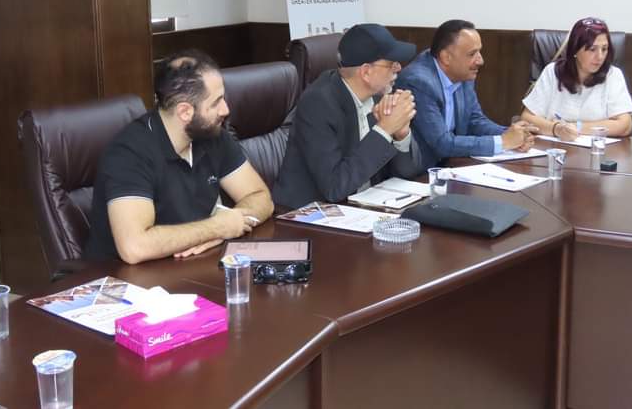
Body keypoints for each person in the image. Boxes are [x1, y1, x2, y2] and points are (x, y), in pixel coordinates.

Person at [86, 49, 273, 264]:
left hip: (187, 266)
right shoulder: (129, 153)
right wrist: (217, 227)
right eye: (216, 102)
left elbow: (261, 197)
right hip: (124, 276)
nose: (225, 109)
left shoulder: (211, 134)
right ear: (185, 112)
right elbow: (134, 247)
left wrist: (229, 225)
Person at [273, 23, 422, 209]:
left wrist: (401, 135)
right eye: (391, 64)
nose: (398, 68)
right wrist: (384, 130)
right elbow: (335, 188)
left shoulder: (378, 95)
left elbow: (406, 174)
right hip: (310, 213)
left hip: (364, 207)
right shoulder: (318, 104)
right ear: (366, 72)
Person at [395, 19, 536, 169]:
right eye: (472, 54)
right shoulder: (418, 82)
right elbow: (442, 143)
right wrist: (503, 142)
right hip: (421, 171)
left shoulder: (462, 73)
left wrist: (513, 134)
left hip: (452, 165)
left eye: (479, 51)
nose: (480, 60)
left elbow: (474, 121)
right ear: (446, 57)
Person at [521, 17, 632, 139]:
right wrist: (557, 129)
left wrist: (577, 127)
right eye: (592, 49)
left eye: (604, 49)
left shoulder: (613, 75)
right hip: (555, 146)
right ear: (575, 49)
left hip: (598, 148)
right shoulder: (553, 72)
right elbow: (527, 117)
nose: (600, 56)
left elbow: (625, 125)